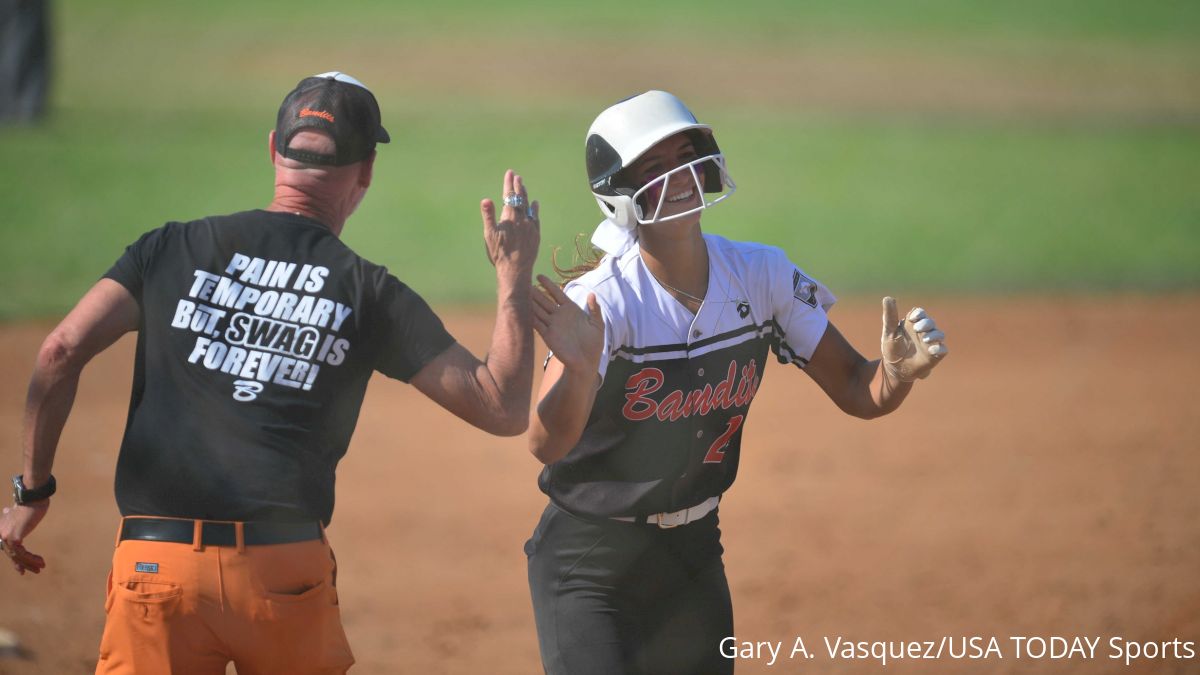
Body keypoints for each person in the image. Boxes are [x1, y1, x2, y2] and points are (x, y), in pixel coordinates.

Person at [0, 71, 542, 674]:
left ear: (273, 151)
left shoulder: (170, 247)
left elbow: (59, 351)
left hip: (157, 572)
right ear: (365, 173)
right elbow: (500, 407)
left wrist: (33, 490)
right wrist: (512, 274)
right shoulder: (369, 291)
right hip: (282, 578)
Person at [525, 90, 948, 674]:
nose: (678, 176)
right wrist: (576, 368)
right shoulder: (603, 304)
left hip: (693, 556)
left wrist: (897, 375)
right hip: (590, 562)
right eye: (654, 167)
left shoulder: (761, 276)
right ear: (617, 196)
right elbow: (547, 444)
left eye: (685, 157)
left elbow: (857, 387)